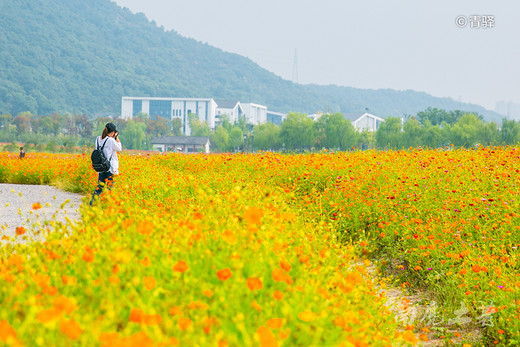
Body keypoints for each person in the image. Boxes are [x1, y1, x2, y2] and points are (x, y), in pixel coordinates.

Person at [90, 123, 122, 205]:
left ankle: (92, 204)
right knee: (110, 188)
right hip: (110, 167)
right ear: (113, 132)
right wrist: (116, 138)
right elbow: (119, 148)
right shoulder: (111, 140)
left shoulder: (98, 139)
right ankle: (107, 205)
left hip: (101, 167)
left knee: (100, 187)